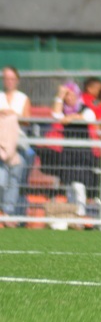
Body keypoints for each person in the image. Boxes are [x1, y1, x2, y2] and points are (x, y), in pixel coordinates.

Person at [52, 81, 99, 217]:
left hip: (82, 154)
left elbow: (89, 118)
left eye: (71, 94)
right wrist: (59, 95)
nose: (69, 98)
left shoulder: (85, 108)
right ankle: (71, 214)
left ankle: (80, 213)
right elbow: (56, 116)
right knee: (69, 186)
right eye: (66, 95)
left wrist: (72, 117)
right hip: (68, 153)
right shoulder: (63, 110)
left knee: (79, 185)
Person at [0, 66, 31, 221]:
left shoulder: (23, 98)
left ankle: (7, 213)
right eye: (6, 78)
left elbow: (27, 121)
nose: (9, 81)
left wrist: (13, 116)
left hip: (18, 145)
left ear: (17, 80)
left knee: (14, 178)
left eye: (12, 78)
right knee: (1, 179)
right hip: (1, 144)